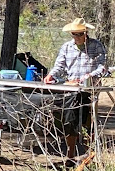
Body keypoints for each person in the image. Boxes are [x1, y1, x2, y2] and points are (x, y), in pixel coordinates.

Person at [42, 18, 107, 160]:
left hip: (89, 89)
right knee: (69, 118)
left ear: (85, 33)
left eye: (80, 34)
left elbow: (102, 67)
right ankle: (70, 153)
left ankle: (90, 152)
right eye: (74, 34)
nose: (77, 37)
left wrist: (90, 76)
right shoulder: (66, 47)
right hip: (71, 89)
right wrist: (51, 75)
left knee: (89, 120)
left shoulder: (96, 46)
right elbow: (59, 65)